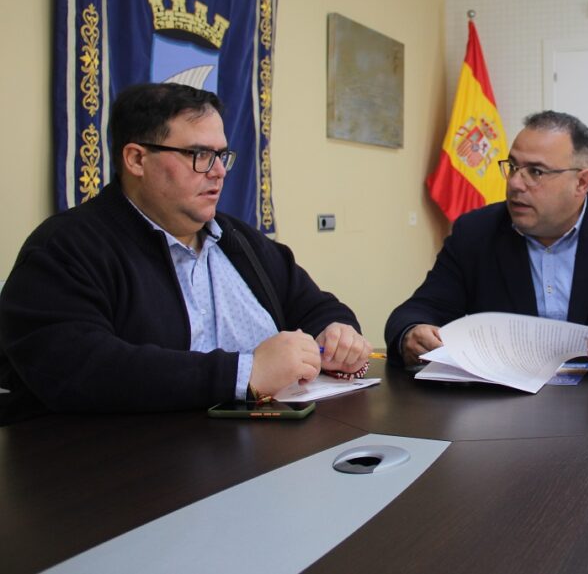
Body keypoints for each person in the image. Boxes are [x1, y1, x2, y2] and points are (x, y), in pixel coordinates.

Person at [0, 83, 371, 423]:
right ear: (136, 159)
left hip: (256, 457)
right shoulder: (66, 247)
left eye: (222, 155)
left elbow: (315, 305)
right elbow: (76, 368)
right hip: (122, 473)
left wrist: (338, 332)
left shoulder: (239, 240)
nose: (218, 172)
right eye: (198, 154)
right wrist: (245, 374)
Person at [385, 110, 588, 374]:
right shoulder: (476, 232)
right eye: (513, 166)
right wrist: (412, 333)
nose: (515, 183)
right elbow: (415, 311)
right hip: (506, 409)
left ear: (581, 182)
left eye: (535, 171)